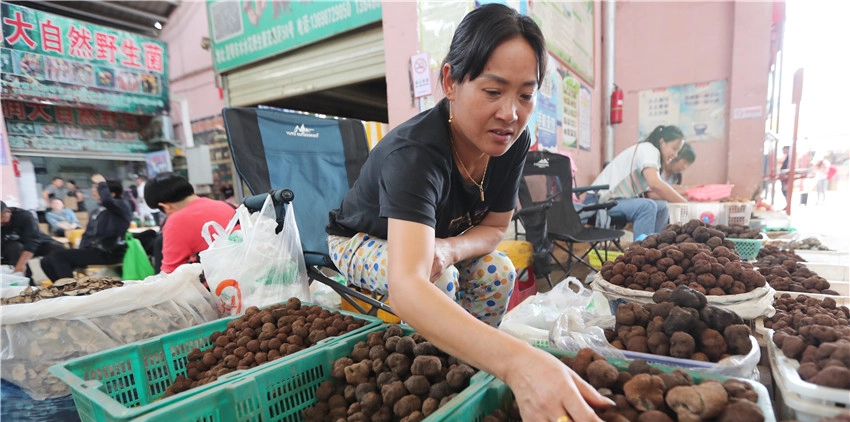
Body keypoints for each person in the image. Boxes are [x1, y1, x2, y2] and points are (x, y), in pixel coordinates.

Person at [325, 5, 612, 422]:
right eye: (493, 92)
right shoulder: (415, 154)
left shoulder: (513, 141)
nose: (510, 113)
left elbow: (495, 228)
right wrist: (519, 363)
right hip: (359, 241)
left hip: (436, 242)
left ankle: (467, 374)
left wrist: (450, 248)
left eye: (526, 95)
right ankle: (437, 374)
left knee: (498, 271)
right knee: (436, 279)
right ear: (450, 82)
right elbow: (407, 285)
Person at [585, 125, 688, 239]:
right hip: (597, 202)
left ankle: (657, 248)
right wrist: (684, 204)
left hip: (615, 202)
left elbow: (650, 193)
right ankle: (641, 253)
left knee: (663, 206)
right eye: (674, 149)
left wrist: (680, 198)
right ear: (662, 142)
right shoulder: (649, 149)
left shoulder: (651, 156)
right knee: (647, 206)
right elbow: (655, 184)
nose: (675, 155)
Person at [40, 175, 132, 281]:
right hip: (94, 250)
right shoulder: (97, 211)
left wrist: (102, 182)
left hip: (110, 252)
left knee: (59, 255)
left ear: (112, 194)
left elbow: (107, 201)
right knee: (45, 261)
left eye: (98, 189)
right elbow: (88, 234)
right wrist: (80, 253)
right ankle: (62, 289)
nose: (94, 190)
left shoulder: (121, 206)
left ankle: (71, 291)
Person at [144, 172, 237, 274]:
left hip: (217, 286)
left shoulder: (176, 221)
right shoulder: (229, 206)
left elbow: (170, 274)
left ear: (166, 207)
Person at [1, 201, 66, 282]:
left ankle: (62, 281)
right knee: (14, 247)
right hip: (13, 249)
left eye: (1, 217)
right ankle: (28, 284)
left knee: (58, 248)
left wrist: (21, 264)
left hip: (35, 244)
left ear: (8, 212)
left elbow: (33, 240)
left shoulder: (24, 216)